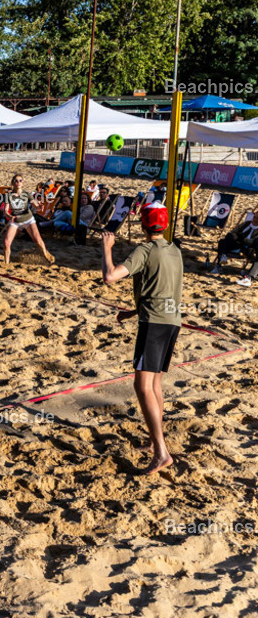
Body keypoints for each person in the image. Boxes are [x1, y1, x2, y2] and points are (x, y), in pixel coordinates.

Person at [101, 202, 182, 475]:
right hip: (171, 320)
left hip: (155, 323)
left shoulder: (144, 250)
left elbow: (110, 277)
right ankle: (153, 440)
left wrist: (107, 248)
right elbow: (164, 288)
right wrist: (135, 311)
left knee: (142, 386)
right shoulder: (175, 251)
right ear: (165, 224)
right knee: (155, 383)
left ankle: (161, 452)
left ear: (143, 226)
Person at [1, 174, 55, 265]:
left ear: (23, 183)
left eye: (20, 180)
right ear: (13, 183)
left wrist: (39, 207)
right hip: (15, 221)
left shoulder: (27, 194)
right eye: (16, 181)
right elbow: (5, 210)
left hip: (28, 219)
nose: (18, 182)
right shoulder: (9, 196)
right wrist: (9, 216)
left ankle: (46, 255)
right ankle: (6, 264)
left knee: (37, 239)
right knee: (6, 242)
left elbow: (35, 206)